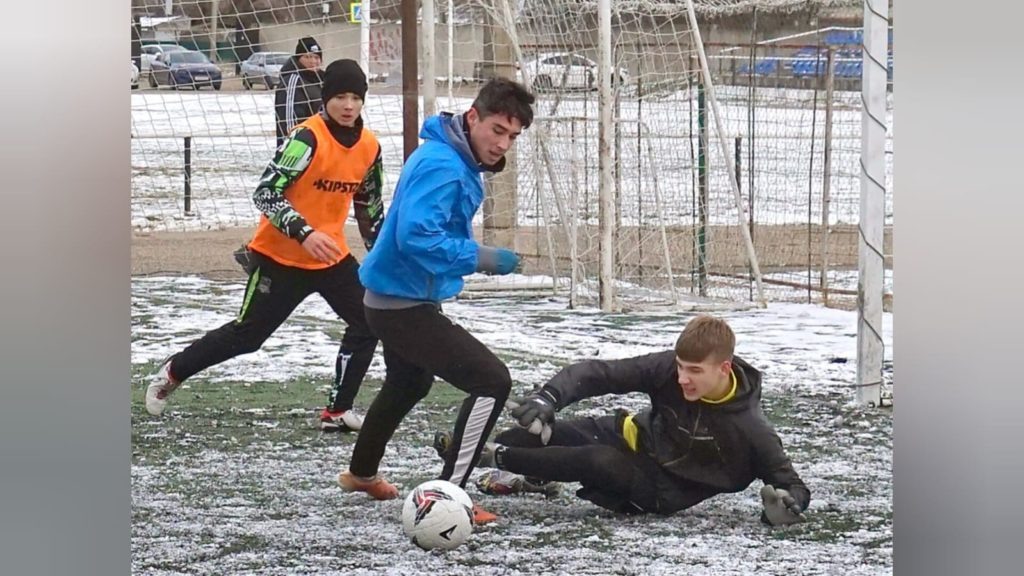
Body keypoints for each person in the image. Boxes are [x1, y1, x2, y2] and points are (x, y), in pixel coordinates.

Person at [145, 59, 385, 435]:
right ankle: (173, 371)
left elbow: (369, 207)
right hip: (281, 257)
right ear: (325, 98)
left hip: (331, 259)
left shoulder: (370, 146)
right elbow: (266, 193)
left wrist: (384, 256)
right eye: (340, 96)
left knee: (368, 320)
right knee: (248, 337)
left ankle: (338, 410)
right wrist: (304, 232)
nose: (348, 105)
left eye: (355, 96)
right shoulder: (306, 138)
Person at [336, 78, 536, 525]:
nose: (502, 144)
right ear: (472, 118)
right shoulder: (444, 164)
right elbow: (415, 237)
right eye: (497, 130)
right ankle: (452, 496)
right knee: (492, 381)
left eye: (512, 137)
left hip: (397, 299)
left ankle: (361, 473)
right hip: (400, 305)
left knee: (409, 383)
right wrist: (481, 257)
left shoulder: (451, 158)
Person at [471, 314, 811, 526]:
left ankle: (493, 459)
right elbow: (600, 373)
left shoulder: (752, 428)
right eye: (680, 366)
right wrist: (549, 398)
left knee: (596, 461)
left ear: (724, 368)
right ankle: (530, 475)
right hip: (629, 436)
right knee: (531, 433)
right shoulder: (669, 369)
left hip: (656, 489)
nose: (682, 378)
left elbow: (791, 484)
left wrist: (783, 510)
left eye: (694, 371)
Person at [275, 36, 324, 148]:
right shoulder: (292, 82)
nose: (313, 61)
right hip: (300, 150)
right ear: (298, 59)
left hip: (322, 148)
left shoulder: (323, 80)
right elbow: (289, 124)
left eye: (316, 57)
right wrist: (293, 149)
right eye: (307, 57)